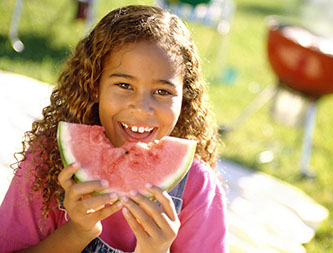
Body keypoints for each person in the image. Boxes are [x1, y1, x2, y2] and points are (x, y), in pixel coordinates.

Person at [0, 5, 228, 253]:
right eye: (124, 85)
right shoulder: (49, 157)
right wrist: (77, 232)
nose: (142, 108)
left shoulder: (196, 186)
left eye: (162, 92)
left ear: (184, 99)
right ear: (95, 86)